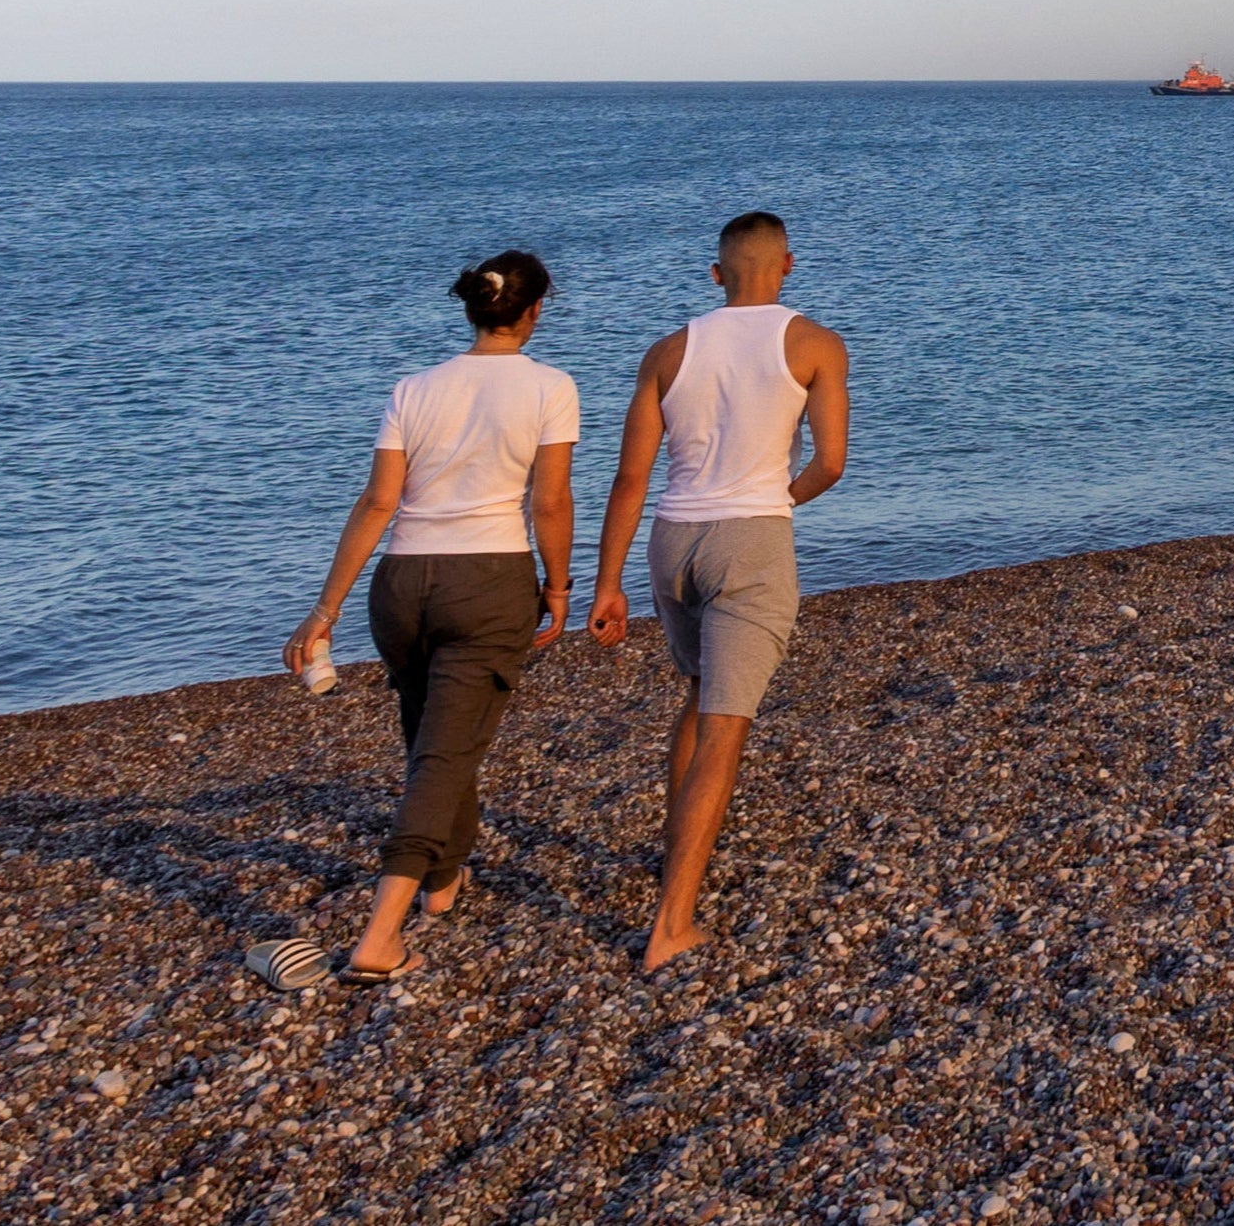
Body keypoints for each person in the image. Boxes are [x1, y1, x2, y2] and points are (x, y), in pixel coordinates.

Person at [283, 249, 577, 981]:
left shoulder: (413, 388)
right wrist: (561, 584)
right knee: (443, 756)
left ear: (474, 308)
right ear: (535, 310)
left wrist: (324, 610)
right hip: (488, 579)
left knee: (440, 743)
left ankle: (443, 886)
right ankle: (380, 937)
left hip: (401, 584)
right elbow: (548, 501)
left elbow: (379, 503)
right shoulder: (550, 387)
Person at [589, 209, 849, 973]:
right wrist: (778, 501)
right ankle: (671, 923)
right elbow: (831, 462)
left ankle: (678, 857)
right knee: (728, 724)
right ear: (788, 265)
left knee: (700, 696)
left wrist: (606, 585)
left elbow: (630, 476)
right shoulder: (813, 343)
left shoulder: (669, 351)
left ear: (716, 274)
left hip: (672, 541)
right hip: (750, 539)